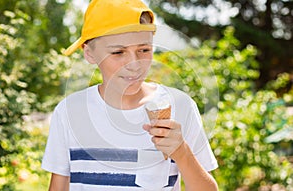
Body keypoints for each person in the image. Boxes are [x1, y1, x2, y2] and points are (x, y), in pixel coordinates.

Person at [41, 0, 219, 190]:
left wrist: (182, 153)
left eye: (144, 50)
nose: (134, 64)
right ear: (90, 53)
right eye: (118, 52)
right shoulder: (70, 112)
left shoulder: (180, 107)